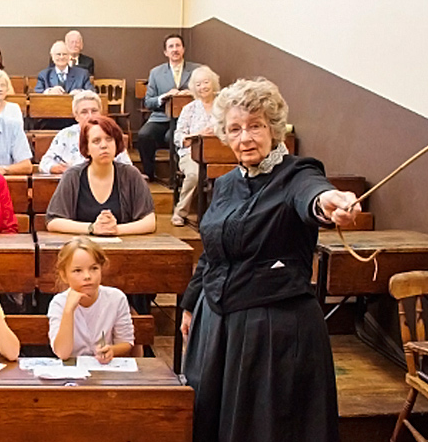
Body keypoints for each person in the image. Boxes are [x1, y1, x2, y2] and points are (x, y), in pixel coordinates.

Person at [179, 78, 361, 442]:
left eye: (255, 126)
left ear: (273, 129)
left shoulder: (298, 174)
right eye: (235, 129)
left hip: (272, 330)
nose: (245, 137)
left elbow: (313, 196)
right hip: (216, 325)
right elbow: (213, 250)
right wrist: (189, 305)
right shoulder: (226, 183)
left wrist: (329, 204)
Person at [46, 116, 155, 236]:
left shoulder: (131, 175)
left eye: (109, 139)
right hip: (82, 248)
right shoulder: (72, 176)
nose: (104, 145)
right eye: (96, 141)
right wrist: (92, 228)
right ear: (86, 148)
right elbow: (53, 221)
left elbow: (149, 222)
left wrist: (115, 230)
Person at [48, 237, 133, 362]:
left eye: (94, 268)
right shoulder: (59, 303)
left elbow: (126, 343)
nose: (87, 276)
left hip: (104, 371)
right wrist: (68, 311)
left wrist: (111, 350)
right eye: (78, 271)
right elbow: (62, 353)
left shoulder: (116, 298)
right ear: (64, 275)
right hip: (73, 373)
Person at [137, 34, 201, 180]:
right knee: (144, 135)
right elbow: (149, 101)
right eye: (171, 47)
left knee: (171, 137)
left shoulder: (197, 70)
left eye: (178, 46)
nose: (175, 49)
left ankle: (178, 176)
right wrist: (163, 97)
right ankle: (149, 173)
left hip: (186, 120)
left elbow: (206, 93)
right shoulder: (156, 72)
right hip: (160, 117)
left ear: (183, 49)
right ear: (166, 52)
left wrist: (191, 94)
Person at [38, 91, 132, 174]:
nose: (90, 116)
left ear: (101, 113)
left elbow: (127, 167)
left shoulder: (111, 132)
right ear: (76, 116)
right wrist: (62, 170)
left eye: (94, 111)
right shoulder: (65, 135)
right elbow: (45, 163)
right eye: (84, 112)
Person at [171, 66, 219, 226]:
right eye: (198, 84)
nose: (203, 87)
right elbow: (177, 136)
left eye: (206, 82)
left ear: (213, 83)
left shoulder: (223, 107)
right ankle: (180, 212)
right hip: (190, 153)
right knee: (193, 175)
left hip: (218, 153)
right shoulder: (189, 109)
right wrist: (198, 134)